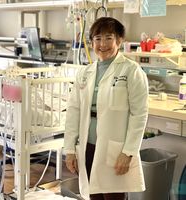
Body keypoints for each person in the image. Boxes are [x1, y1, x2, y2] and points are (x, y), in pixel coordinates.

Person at [64, 17, 149, 200]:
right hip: (88, 146)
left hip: (115, 148)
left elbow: (139, 115)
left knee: (113, 196)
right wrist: (69, 149)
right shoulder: (84, 73)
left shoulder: (131, 71)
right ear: (92, 42)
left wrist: (128, 152)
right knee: (93, 195)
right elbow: (74, 111)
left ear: (119, 40)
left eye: (109, 38)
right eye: (98, 38)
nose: (103, 44)